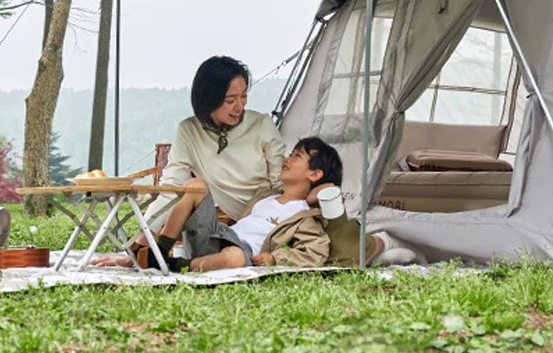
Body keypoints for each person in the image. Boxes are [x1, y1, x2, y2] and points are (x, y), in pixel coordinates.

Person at [94, 137, 421, 270]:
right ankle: (157, 251)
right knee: (195, 185)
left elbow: (315, 251)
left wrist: (275, 258)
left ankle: (174, 267)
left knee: (236, 258)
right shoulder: (264, 197)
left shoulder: (306, 216)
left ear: (315, 173)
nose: (287, 159)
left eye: (296, 156)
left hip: (239, 252)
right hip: (217, 236)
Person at [142, 56, 287, 232]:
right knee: (193, 187)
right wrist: (142, 236)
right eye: (230, 100)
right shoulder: (189, 131)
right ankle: (152, 246)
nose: (239, 107)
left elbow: (282, 185)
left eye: (243, 96)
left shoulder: (261, 125)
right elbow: (172, 189)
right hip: (238, 225)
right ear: (208, 99)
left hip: (269, 219)